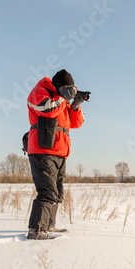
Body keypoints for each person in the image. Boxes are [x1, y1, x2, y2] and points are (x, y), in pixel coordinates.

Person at [26, 69, 85, 240]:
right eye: (68, 87)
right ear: (58, 86)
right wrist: (64, 98)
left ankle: (49, 226)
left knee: (57, 193)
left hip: (60, 152)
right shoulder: (40, 92)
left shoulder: (61, 101)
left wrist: (74, 106)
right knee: (47, 192)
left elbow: (76, 123)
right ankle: (36, 231)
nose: (70, 90)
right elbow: (46, 109)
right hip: (42, 150)